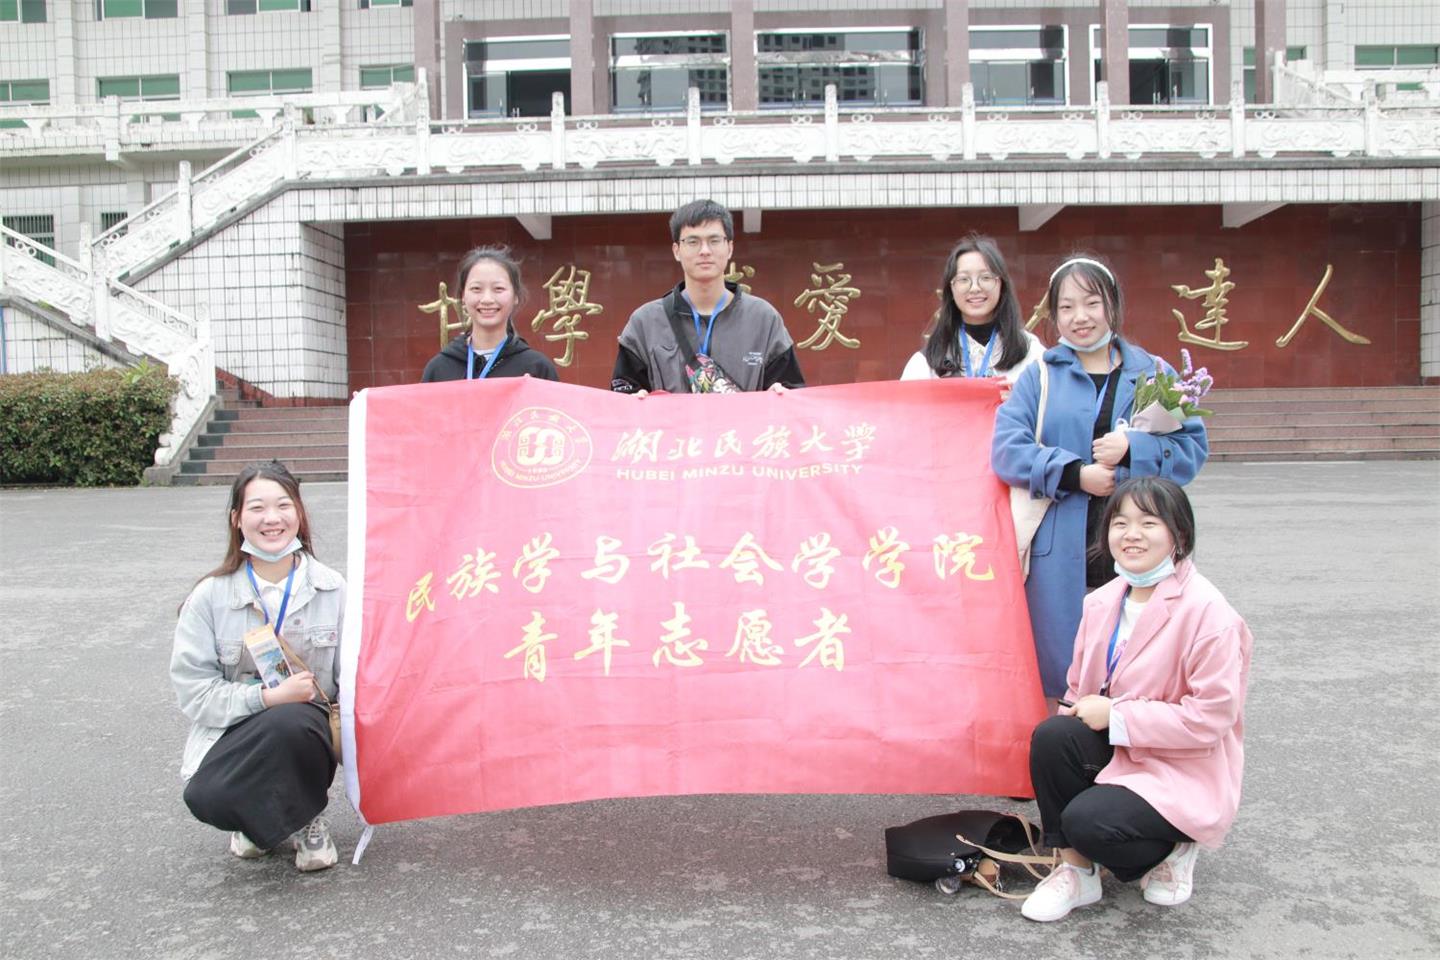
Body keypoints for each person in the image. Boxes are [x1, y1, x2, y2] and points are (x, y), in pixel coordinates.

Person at [1020, 477, 1252, 921]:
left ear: (1179, 534)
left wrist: (1117, 715)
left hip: (1179, 764)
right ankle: (1077, 871)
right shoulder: (1102, 602)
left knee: (1087, 822)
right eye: (1120, 523)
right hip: (1121, 749)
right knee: (1053, 735)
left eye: (1148, 523)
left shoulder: (1209, 613)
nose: (1132, 535)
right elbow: (1077, 688)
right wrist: (1087, 716)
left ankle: (1173, 848)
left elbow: (1210, 719)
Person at [991, 255, 1208, 697]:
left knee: (1142, 660)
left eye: (1091, 303)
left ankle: (1131, 735)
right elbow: (1007, 452)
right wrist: (1074, 474)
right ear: (1053, 316)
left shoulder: (1154, 373)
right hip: (1060, 550)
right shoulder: (1040, 376)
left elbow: (1190, 451)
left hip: (1137, 539)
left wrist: (1134, 449)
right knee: (1062, 668)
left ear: (1113, 304)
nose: (1080, 317)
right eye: (1066, 307)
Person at [171, 461, 346, 872]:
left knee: (292, 721)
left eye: (283, 505)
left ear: (299, 514)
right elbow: (194, 692)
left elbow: (356, 682)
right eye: (257, 508)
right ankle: (255, 821)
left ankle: (305, 818)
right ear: (237, 519)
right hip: (235, 731)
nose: (272, 518)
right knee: (205, 795)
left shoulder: (334, 590)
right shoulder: (210, 597)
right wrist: (266, 697)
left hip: (308, 731)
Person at [611, 199, 805, 394]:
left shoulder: (763, 319)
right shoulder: (645, 323)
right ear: (677, 251)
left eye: (714, 240)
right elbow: (621, 394)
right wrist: (633, 400)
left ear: (729, 248)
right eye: (693, 241)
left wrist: (782, 395)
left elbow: (792, 392)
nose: (704, 251)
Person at [900, 233, 1044, 383]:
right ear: (951, 289)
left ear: (1001, 285)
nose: (975, 288)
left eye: (986, 277)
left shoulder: (1031, 354)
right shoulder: (925, 364)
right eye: (963, 279)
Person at [421, 246, 560, 383]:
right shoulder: (439, 370)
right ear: (463, 296)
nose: (487, 299)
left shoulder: (537, 369)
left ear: (515, 296)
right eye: (476, 288)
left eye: (498, 288)